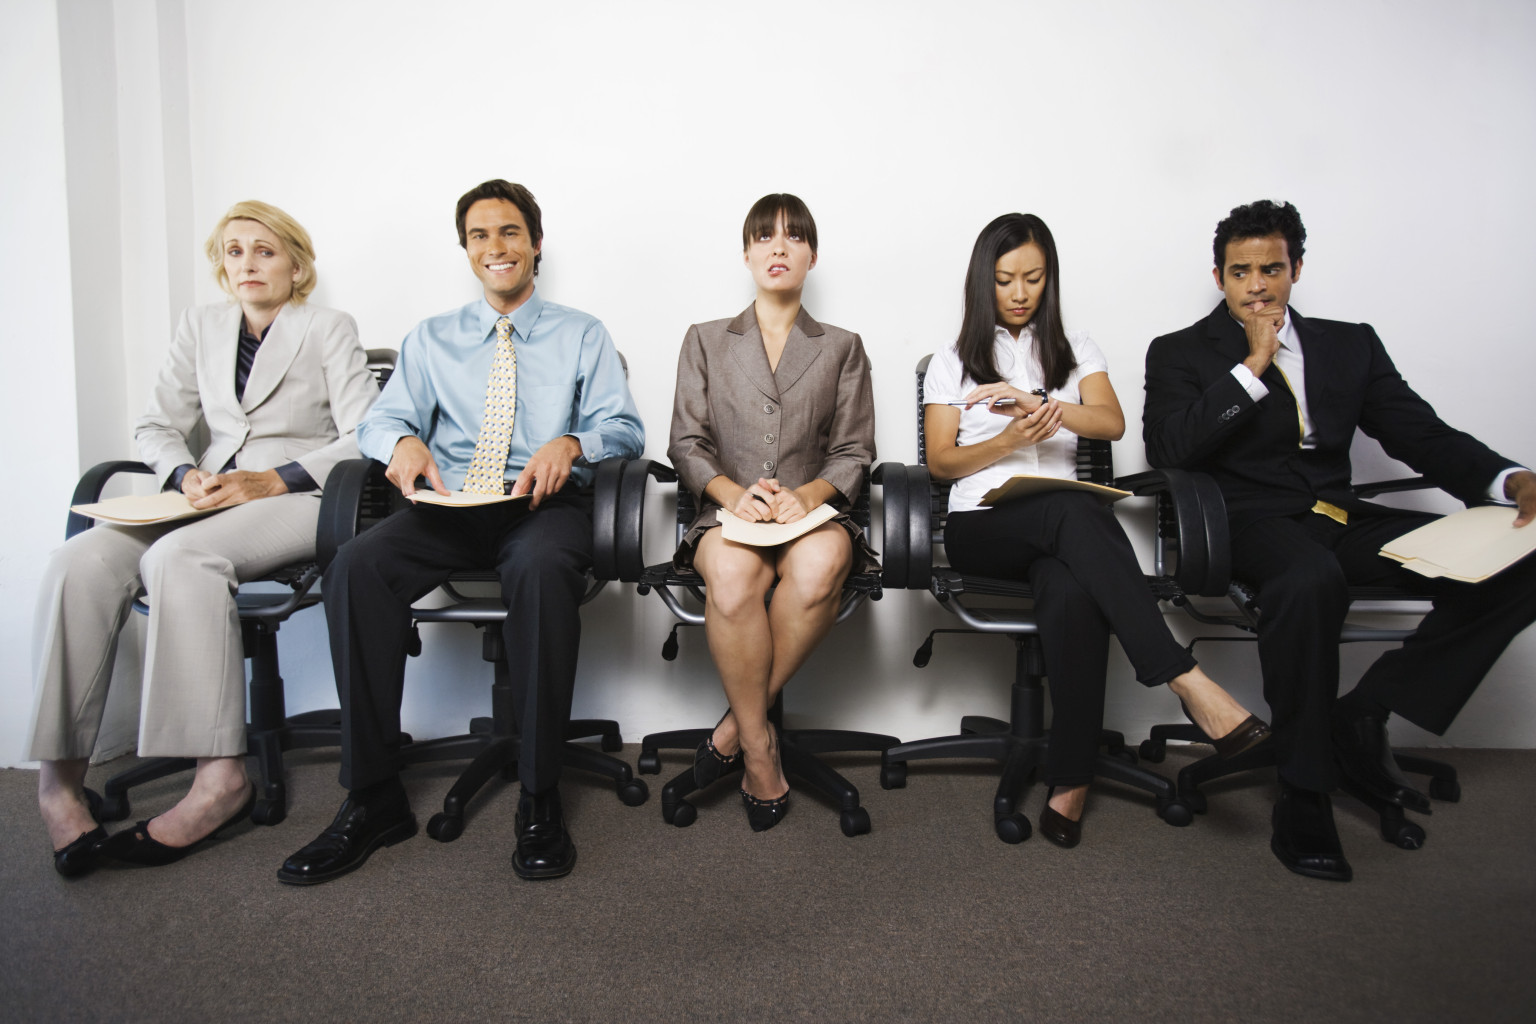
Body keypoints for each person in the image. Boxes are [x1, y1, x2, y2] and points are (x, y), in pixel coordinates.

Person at [1143, 199, 1536, 881]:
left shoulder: (1348, 343)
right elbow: (1173, 446)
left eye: (1272, 268)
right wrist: (1253, 366)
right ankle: (1303, 790)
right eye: (1242, 272)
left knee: (1520, 558)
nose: (1258, 285)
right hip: (1249, 525)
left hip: (1341, 518)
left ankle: (1364, 713)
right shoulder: (1181, 351)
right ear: (1219, 277)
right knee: (1307, 578)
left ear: (1296, 268)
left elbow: (1421, 433)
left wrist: (1511, 481)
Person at [278, 179, 644, 884]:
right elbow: (380, 420)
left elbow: (624, 428)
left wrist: (571, 443)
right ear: (466, 250)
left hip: (542, 509)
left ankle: (539, 795)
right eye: (480, 236)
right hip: (450, 508)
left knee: (538, 570)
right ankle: (373, 795)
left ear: (536, 243)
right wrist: (400, 446)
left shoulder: (582, 333)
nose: (496, 248)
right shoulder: (431, 338)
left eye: (510, 232)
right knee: (356, 565)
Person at [29, 200, 378, 875]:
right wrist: (184, 471)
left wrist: (272, 479)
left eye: (265, 250)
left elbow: (366, 433)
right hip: (207, 491)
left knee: (181, 556)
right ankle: (59, 785)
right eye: (234, 250)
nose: (247, 263)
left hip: (296, 495)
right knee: (79, 562)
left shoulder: (328, 327)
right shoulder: (201, 326)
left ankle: (219, 779)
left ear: (296, 264)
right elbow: (156, 424)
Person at [922, 213, 1271, 848]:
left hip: (1062, 532)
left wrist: (1042, 410)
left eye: (1033, 278)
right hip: (982, 526)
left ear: (1049, 279)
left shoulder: (1077, 347)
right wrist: (1006, 439)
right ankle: (1185, 679)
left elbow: (1109, 424)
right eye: (1005, 280)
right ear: (984, 283)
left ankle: (1071, 777)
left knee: (1070, 581)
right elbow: (942, 461)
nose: (1021, 293)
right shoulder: (951, 362)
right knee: (1074, 512)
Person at [668, 193, 877, 831]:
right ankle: (761, 750)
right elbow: (686, 442)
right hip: (730, 513)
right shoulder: (704, 340)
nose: (778, 247)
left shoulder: (842, 347)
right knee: (732, 577)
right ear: (747, 253)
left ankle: (733, 730)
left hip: (813, 517)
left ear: (812, 255)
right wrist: (733, 494)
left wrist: (808, 495)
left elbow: (855, 449)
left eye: (793, 238)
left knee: (816, 571)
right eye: (764, 237)